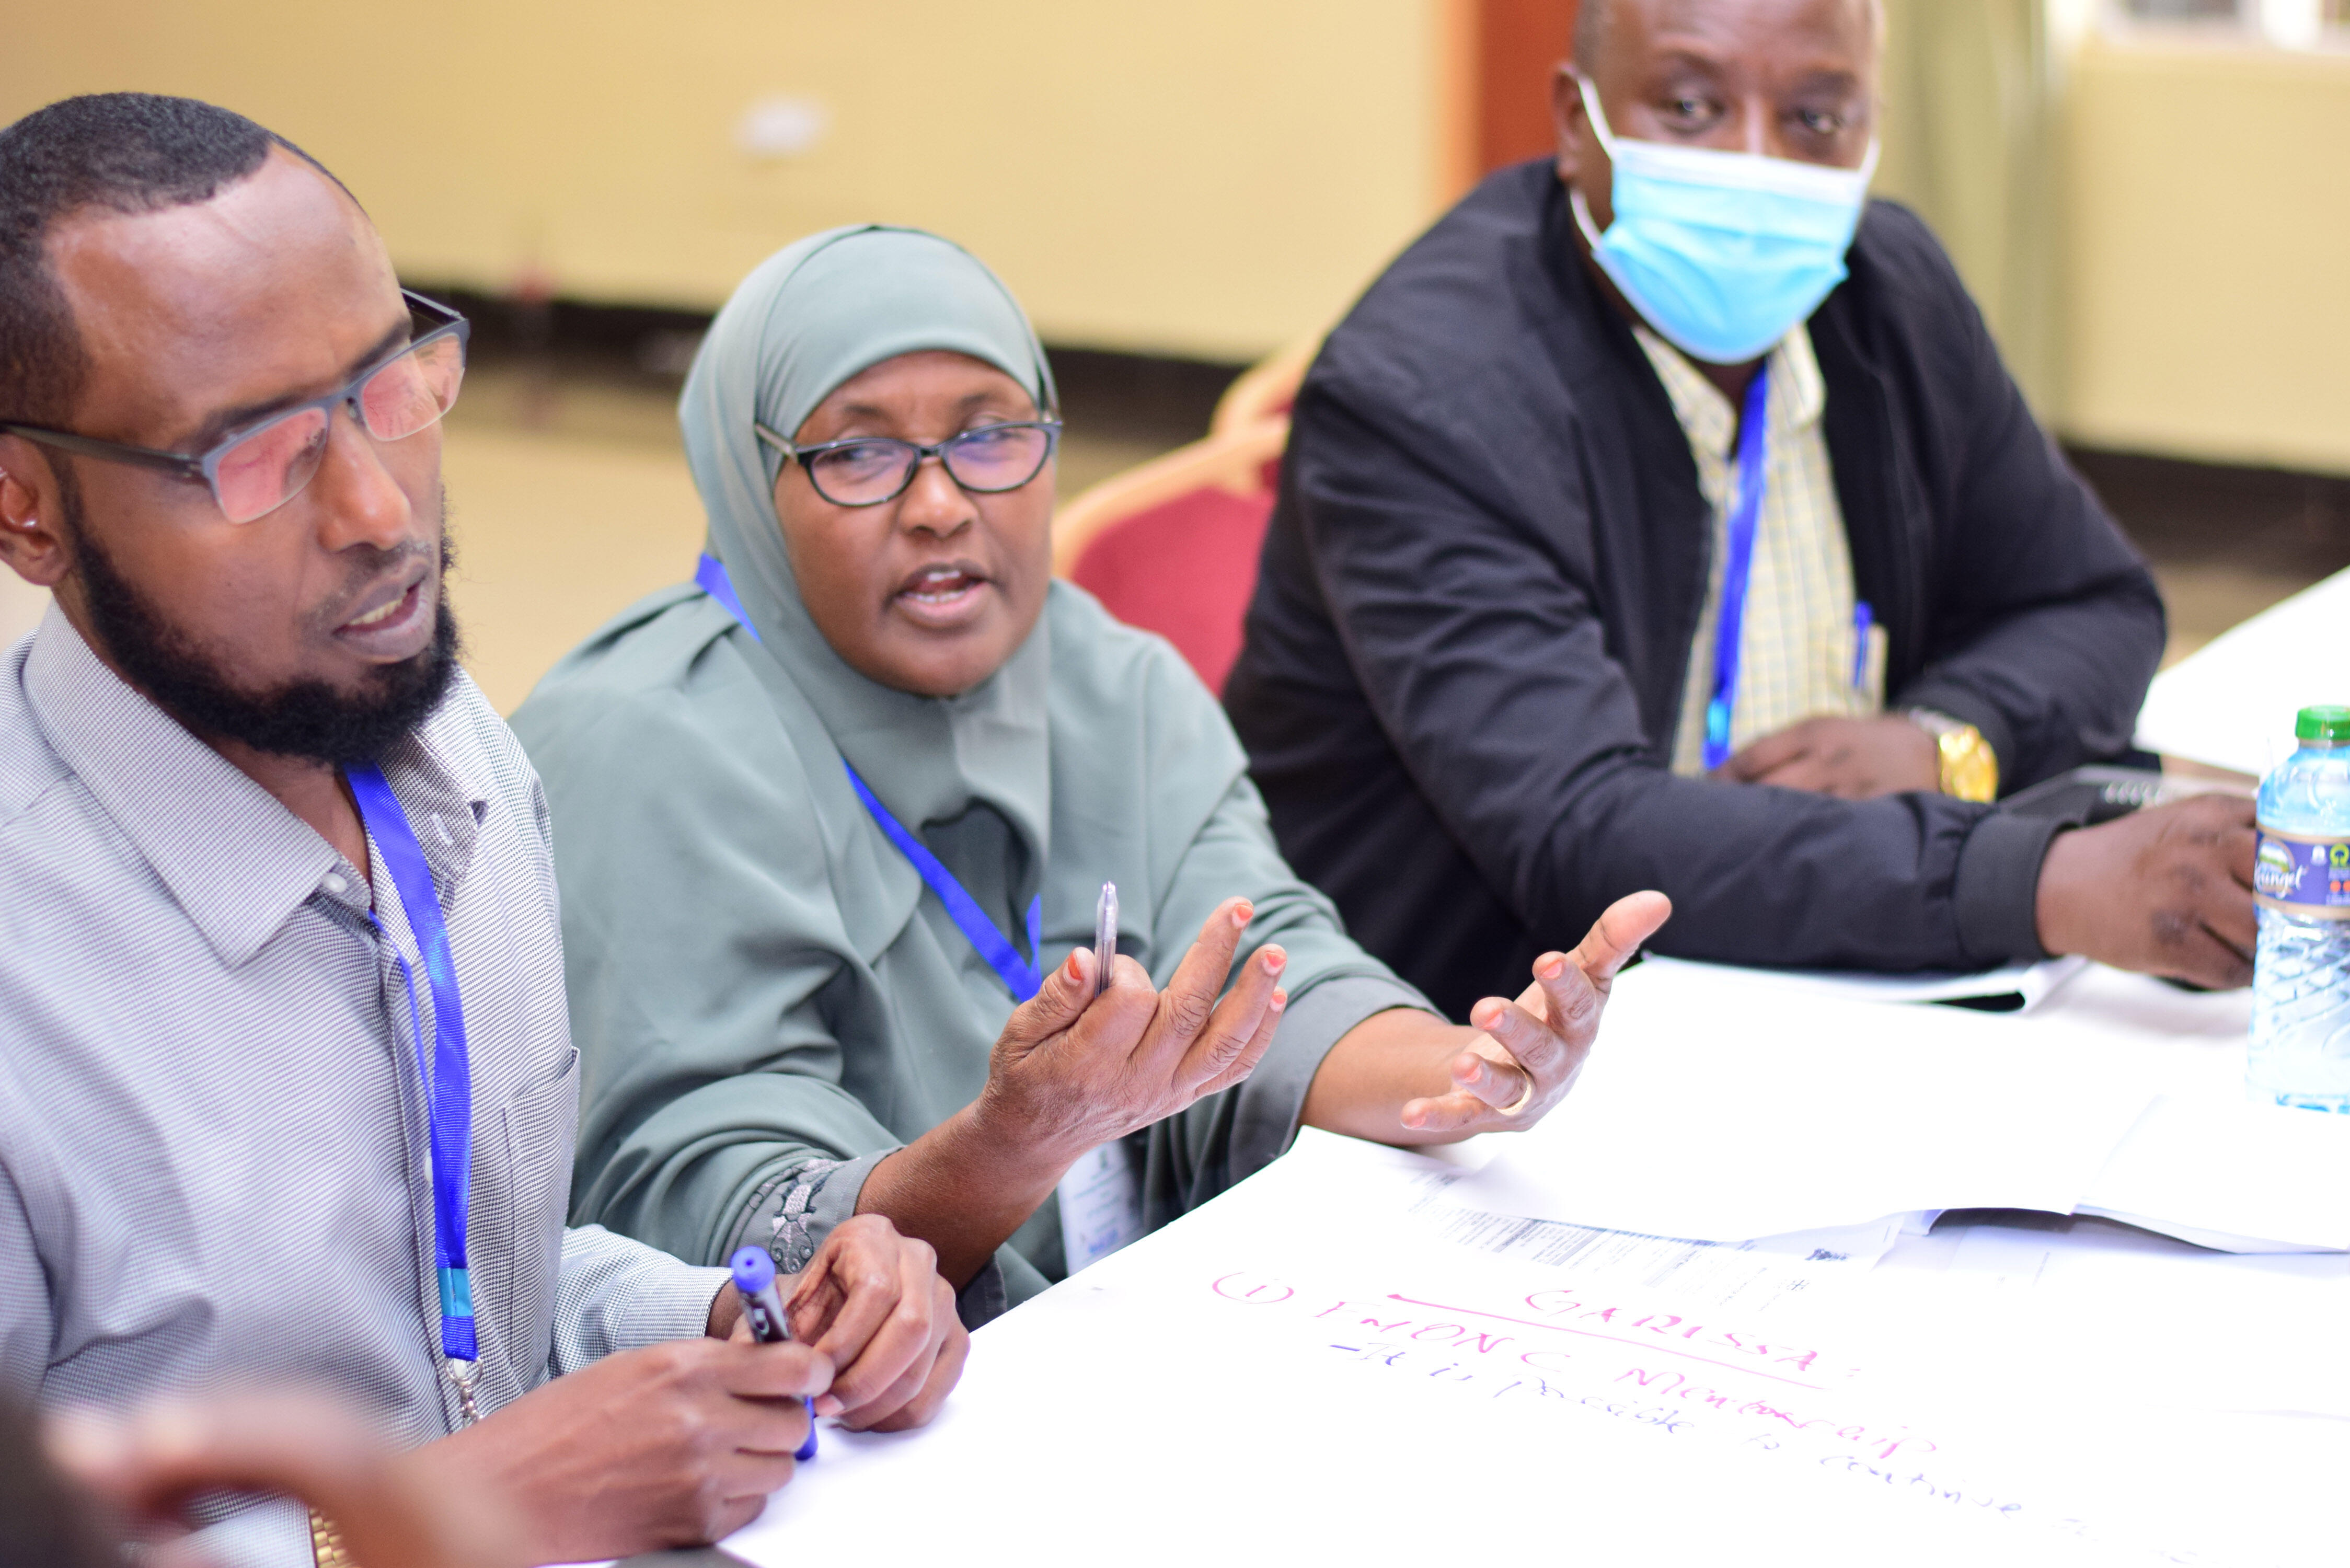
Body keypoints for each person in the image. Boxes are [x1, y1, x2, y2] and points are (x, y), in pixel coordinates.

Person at [0, 94, 963, 1567]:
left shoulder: (452, 756)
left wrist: (712, 1313)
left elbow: (458, 1290)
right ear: (27, 509)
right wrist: (407, 1526)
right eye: (252, 455)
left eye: (393, 383)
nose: (382, 510)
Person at [509, 225, 1671, 1319]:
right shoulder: (642, 744)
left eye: (989, 436)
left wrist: (1464, 1074)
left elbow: (1269, 958)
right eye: (857, 452)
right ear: (746, 480)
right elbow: (711, 1208)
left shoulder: (1111, 680)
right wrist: (1012, 1143)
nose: (939, 505)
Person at [1223, 0, 2259, 1022]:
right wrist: (2044, 882)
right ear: (1576, 124)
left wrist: (1943, 744)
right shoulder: (1427, 395)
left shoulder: (1891, 293)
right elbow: (1586, 834)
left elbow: (2092, 604)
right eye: (1686, 105)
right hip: (1467, 1041)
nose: (1753, 165)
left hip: (1814, 981)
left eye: (1815, 118)